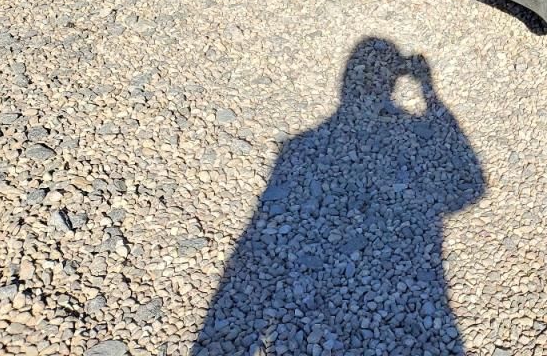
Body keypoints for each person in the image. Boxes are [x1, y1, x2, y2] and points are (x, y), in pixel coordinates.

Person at [195, 37, 484, 355]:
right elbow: (468, 188)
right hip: (424, 283)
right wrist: (430, 94)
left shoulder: (298, 149)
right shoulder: (300, 149)